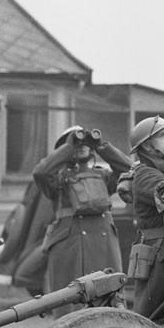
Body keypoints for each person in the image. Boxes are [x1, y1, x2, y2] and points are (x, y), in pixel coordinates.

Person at [32, 125, 131, 317]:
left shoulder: (103, 175)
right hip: (71, 247)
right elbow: (40, 173)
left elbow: (129, 169)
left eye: (86, 143)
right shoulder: (57, 180)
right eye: (76, 141)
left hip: (103, 246)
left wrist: (102, 146)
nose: (82, 144)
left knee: (111, 301)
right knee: (70, 305)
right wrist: (70, 146)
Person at [125, 115, 164, 320]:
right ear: (147, 147)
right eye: (162, 135)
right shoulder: (145, 174)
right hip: (159, 255)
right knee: (147, 317)